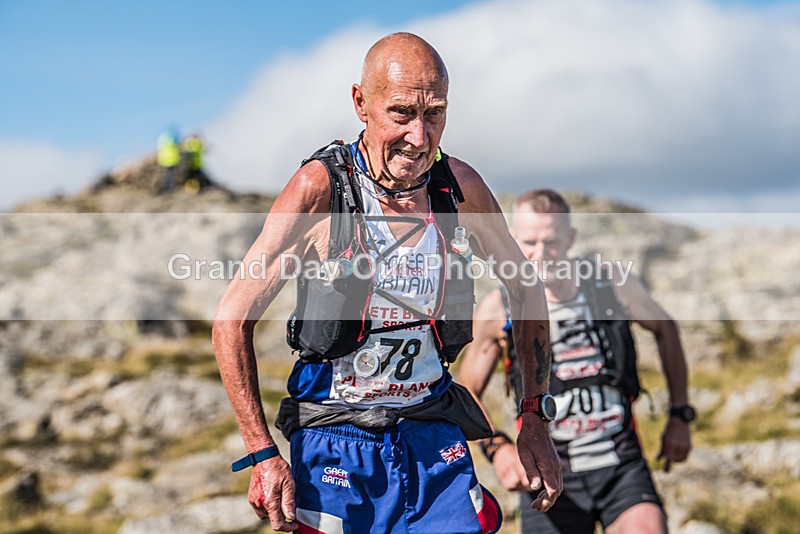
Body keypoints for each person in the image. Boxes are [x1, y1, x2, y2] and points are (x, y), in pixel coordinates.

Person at [212, 34, 561, 533]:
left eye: (435, 113)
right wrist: (262, 453)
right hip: (335, 434)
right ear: (361, 103)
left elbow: (525, 289)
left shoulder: (458, 189)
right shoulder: (319, 192)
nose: (420, 137)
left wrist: (534, 420)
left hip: (429, 428)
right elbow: (231, 318)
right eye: (401, 114)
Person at [459, 189, 693, 533]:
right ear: (513, 242)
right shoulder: (499, 309)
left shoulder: (611, 285)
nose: (541, 255)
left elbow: (666, 328)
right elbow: (466, 389)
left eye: (551, 242)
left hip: (621, 467)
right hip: (546, 473)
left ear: (571, 238)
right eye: (529, 243)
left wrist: (680, 415)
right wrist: (499, 449)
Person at [157, 126, 181, 193]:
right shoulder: (172, 138)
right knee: (169, 176)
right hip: (171, 160)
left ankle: (164, 189)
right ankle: (167, 190)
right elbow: (176, 144)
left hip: (163, 159)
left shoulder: (161, 139)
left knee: (166, 175)